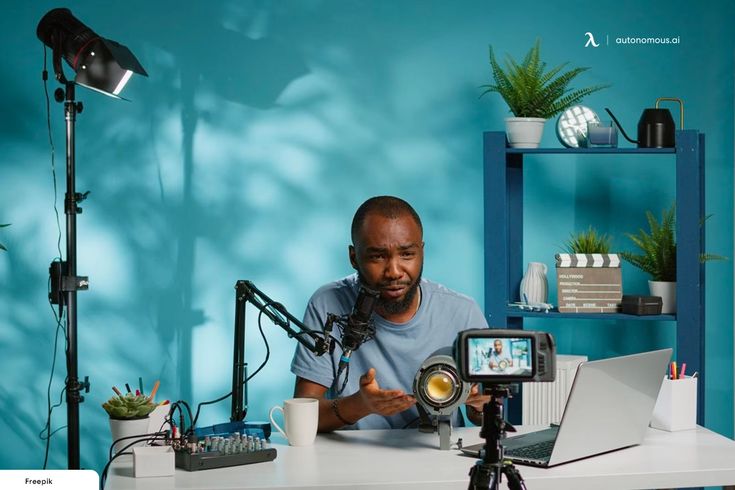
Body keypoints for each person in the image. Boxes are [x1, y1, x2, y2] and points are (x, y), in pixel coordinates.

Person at [290, 196, 490, 432]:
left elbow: (485, 417)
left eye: (407, 254)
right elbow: (302, 419)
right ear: (354, 258)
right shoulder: (328, 304)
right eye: (378, 256)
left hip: (436, 453)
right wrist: (360, 405)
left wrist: (480, 407)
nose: (394, 272)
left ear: (422, 252)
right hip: (353, 460)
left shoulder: (462, 312)